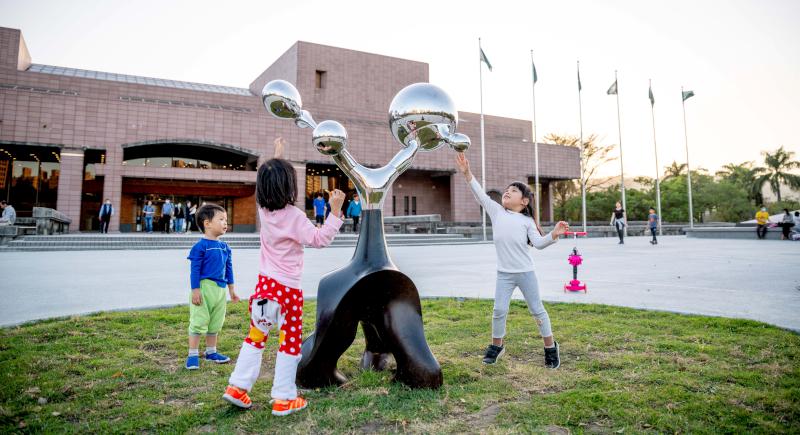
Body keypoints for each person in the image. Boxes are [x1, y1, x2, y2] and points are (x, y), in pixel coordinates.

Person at [223, 136, 345, 416]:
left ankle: (237, 387)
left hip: (264, 291)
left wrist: (276, 155)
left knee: (255, 337)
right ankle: (284, 397)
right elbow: (319, 239)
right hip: (287, 292)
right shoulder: (294, 216)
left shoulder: (264, 211)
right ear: (289, 186)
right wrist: (335, 212)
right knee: (289, 344)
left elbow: (267, 177)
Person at [455, 152, 568, 368]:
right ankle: (496, 346)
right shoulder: (497, 212)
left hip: (526, 273)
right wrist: (467, 173)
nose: (508, 191)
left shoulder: (527, 221)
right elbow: (480, 195)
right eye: (507, 189)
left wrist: (554, 234)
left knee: (537, 311)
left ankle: (550, 348)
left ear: (524, 201)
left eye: (514, 190)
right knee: (499, 311)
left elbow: (539, 243)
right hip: (504, 274)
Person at [185, 203, 240, 370]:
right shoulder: (200, 247)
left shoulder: (225, 247)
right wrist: (195, 290)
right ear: (207, 223)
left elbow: (229, 269)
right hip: (204, 289)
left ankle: (211, 352)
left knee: (215, 322)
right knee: (199, 321)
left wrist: (231, 290)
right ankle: (192, 355)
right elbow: (195, 270)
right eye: (221, 219)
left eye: (226, 220)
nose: (225, 223)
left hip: (220, 290)